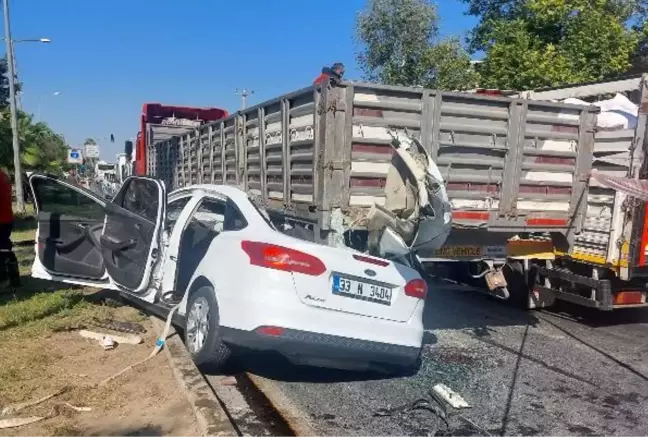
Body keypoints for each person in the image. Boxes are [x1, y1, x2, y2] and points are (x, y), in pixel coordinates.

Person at [0, 168, 20, 287]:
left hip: (1, 219)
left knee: (2, 250)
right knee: (5, 247)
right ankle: (13, 277)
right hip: (7, 218)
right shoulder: (3, 175)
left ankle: (3, 280)